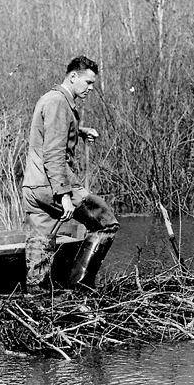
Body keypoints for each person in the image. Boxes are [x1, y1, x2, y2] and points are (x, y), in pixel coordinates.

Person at [21, 55, 119, 289]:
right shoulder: (59, 103)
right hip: (53, 185)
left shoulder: (51, 99)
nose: (91, 88)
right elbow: (53, 153)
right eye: (88, 82)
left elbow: (47, 134)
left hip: (33, 186)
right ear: (73, 77)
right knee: (106, 222)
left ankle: (35, 297)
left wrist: (79, 131)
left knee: (41, 240)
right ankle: (81, 289)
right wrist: (64, 194)